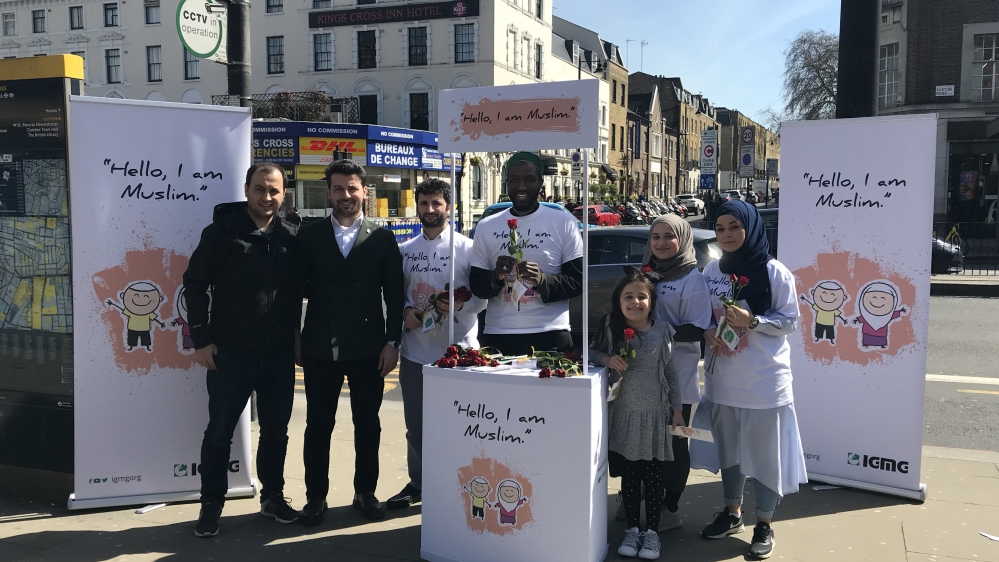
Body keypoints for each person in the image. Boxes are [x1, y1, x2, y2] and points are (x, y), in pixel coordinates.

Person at [183, 163, 300, 538]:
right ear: (247, 190)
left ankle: (273, 498)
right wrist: (201, 339)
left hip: (278, 355)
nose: (267, 197)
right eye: (260, 189)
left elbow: (299, 291)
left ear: (284, 194)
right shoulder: (221, 232)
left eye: (274, 190)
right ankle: (211, 505)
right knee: (219, 432)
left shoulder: (292, 234)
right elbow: (194, 284)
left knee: (276, 432)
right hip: (231, 354)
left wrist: (298, 340)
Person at [689, 200, 808, 560]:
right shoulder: (711, 270)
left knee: (766, 457)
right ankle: (732, 513)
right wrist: (708, 333)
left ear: (751, 228)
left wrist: (753, 322)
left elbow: (790, 321)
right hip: (722, 380)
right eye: (720, 228)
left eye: (734, 227)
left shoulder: (774, 271)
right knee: (730, 452)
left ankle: (765, 523)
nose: (726, 235)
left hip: (764, 382)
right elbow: (703, 316)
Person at [295, 159, 404, 525]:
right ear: (329, 193)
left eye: (352, 188)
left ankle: (365, 492)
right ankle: (315, 497)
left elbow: (395, 294)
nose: (346, 195)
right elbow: (293, 293)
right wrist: (296, 337)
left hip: (369, 348)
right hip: (319, 347)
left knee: (368, 424)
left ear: (364, 191)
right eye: (338, 189)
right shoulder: (308, 236)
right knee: (318, 426)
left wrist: (392, 342)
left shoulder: (382, 237)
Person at [388, 178, 485, 511]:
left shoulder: (468, 249)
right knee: (416, 427)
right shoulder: (405, 250)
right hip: (416, 353)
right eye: (424, 203)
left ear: (449, 207)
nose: (430, 209)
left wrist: (460, 304)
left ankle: (462, 485)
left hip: (460, 354)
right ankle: (418, 483)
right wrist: (405, 312)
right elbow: (396, 294)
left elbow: (483, 299)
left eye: (436, 203)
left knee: (462, 425)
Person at [590, 267, 684, 561]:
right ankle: (632, 529)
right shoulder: (610, 327)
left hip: (655, 416)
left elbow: (671, 373)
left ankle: (652, 533)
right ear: (618, 301)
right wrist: (607, 358)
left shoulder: (663, 331)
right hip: (624, 415)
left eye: (642, 297)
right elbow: (590, 353)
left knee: (654, 479)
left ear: (652, 302)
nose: (635, 302)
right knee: (630, 478)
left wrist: (677, 410)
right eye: (628, 296)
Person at [638, 214, 713, 531]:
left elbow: (697, 329)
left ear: (682, 240)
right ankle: (640, 495)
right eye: (655, 236)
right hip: (643, 375)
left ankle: (670, 507)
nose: (661, 242)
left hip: (677, 376)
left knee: (675, 442)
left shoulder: (691, 278)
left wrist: (654, 330)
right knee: (644, 440)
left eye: (669, 236)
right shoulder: (646, 273)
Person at [469, 152, 584, 356]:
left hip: (551, 334)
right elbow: (477, 285)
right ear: (506, 182)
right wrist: (496, 277)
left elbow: (578, 281)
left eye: (529, 179)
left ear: (541, 183)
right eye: (514, 179)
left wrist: (542, 281)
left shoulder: (563, 223)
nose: (521, 186)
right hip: (499, 334)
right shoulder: (486, 226)